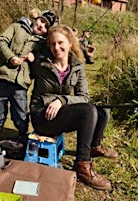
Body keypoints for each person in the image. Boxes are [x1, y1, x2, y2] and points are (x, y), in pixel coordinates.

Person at [29, 25, 118, 190]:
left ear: (70, 42)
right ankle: (82, 165)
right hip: (42, 116)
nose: (56, 48)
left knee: (103, 110)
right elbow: (20, 58)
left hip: (60, 111)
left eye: (60, 42)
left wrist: (62, 100)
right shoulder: (40, 62)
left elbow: (84, 96)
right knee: (88, 111)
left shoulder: (78, 65)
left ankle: (94, 146)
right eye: (52, 44)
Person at [0, 10, 58, 142]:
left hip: (22, 83)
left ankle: (22, 138)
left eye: (45, 27)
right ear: (37, 18)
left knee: (20, 113)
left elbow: (46, 62)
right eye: (41, 21)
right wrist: (11, 57)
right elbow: (0, 42)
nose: (41, 26)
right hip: (3, 76)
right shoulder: (16, 27)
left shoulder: (43, 44)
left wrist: (36, 58)